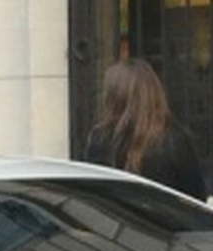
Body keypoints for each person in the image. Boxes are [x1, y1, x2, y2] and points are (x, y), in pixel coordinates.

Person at [79, 58, 205, 199]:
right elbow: (196, 198)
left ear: (113, 97)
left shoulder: (99, 139)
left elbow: (92, 195)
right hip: (162, 220)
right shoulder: (175, 140)